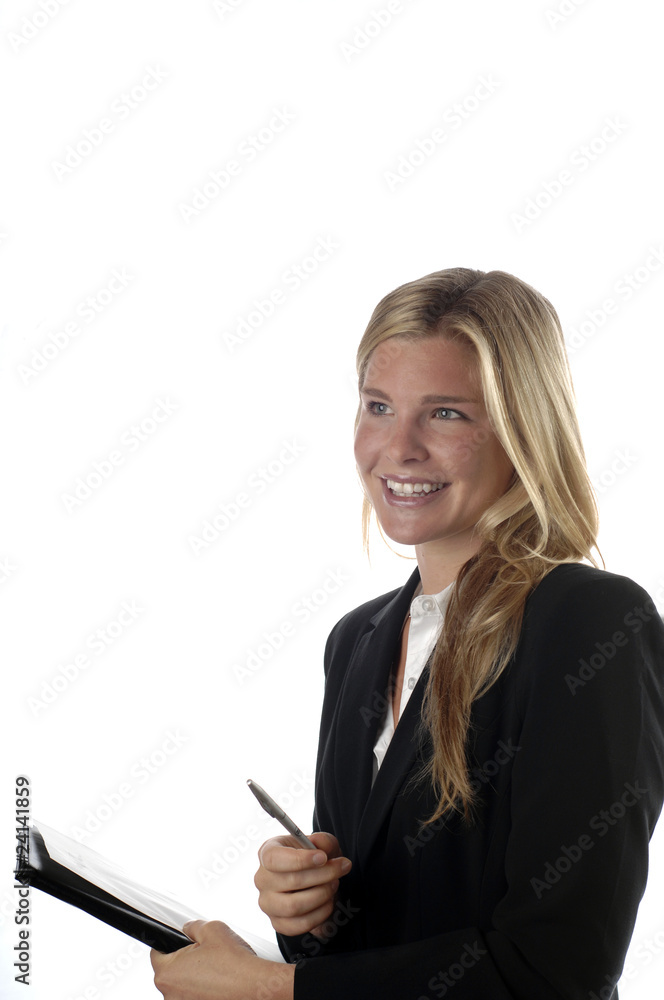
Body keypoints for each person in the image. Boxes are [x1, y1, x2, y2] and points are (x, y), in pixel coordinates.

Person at [151, 268, 664, 999]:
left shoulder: (589, 623)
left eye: (446, 414)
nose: (399, 448)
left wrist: (271, 988)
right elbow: (374, 939)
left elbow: (558, 972)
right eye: (378, 406)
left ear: (523, 428)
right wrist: (309, 913)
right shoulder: (356, 640)